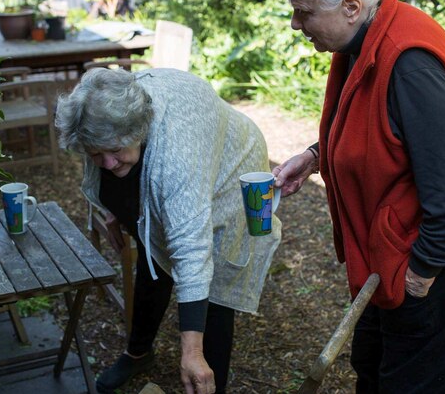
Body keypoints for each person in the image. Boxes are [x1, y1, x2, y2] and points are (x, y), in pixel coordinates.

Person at [269, 0, 445, 393]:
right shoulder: (364, 36)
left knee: (414, 381)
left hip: (444, 256)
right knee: (373, 363)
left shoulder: (410, 64)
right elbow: (379, 127)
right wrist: (316, 156)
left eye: (304, 12)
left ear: (352, 7)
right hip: (395, 247)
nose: (296, 24)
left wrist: (418, 280)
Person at [55, 67, 281, 394]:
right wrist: (114, 209)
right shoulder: (108, 114)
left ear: (138, 129)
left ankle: (206, 380)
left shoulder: (178, 149)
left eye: (115, 151)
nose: (106, 164)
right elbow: (106, 160)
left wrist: (191, 352)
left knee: (214, 282)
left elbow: (191, 251)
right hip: (171, 155)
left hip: (232, 169)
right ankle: (139, 353)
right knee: (153, 260)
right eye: (95, 154)